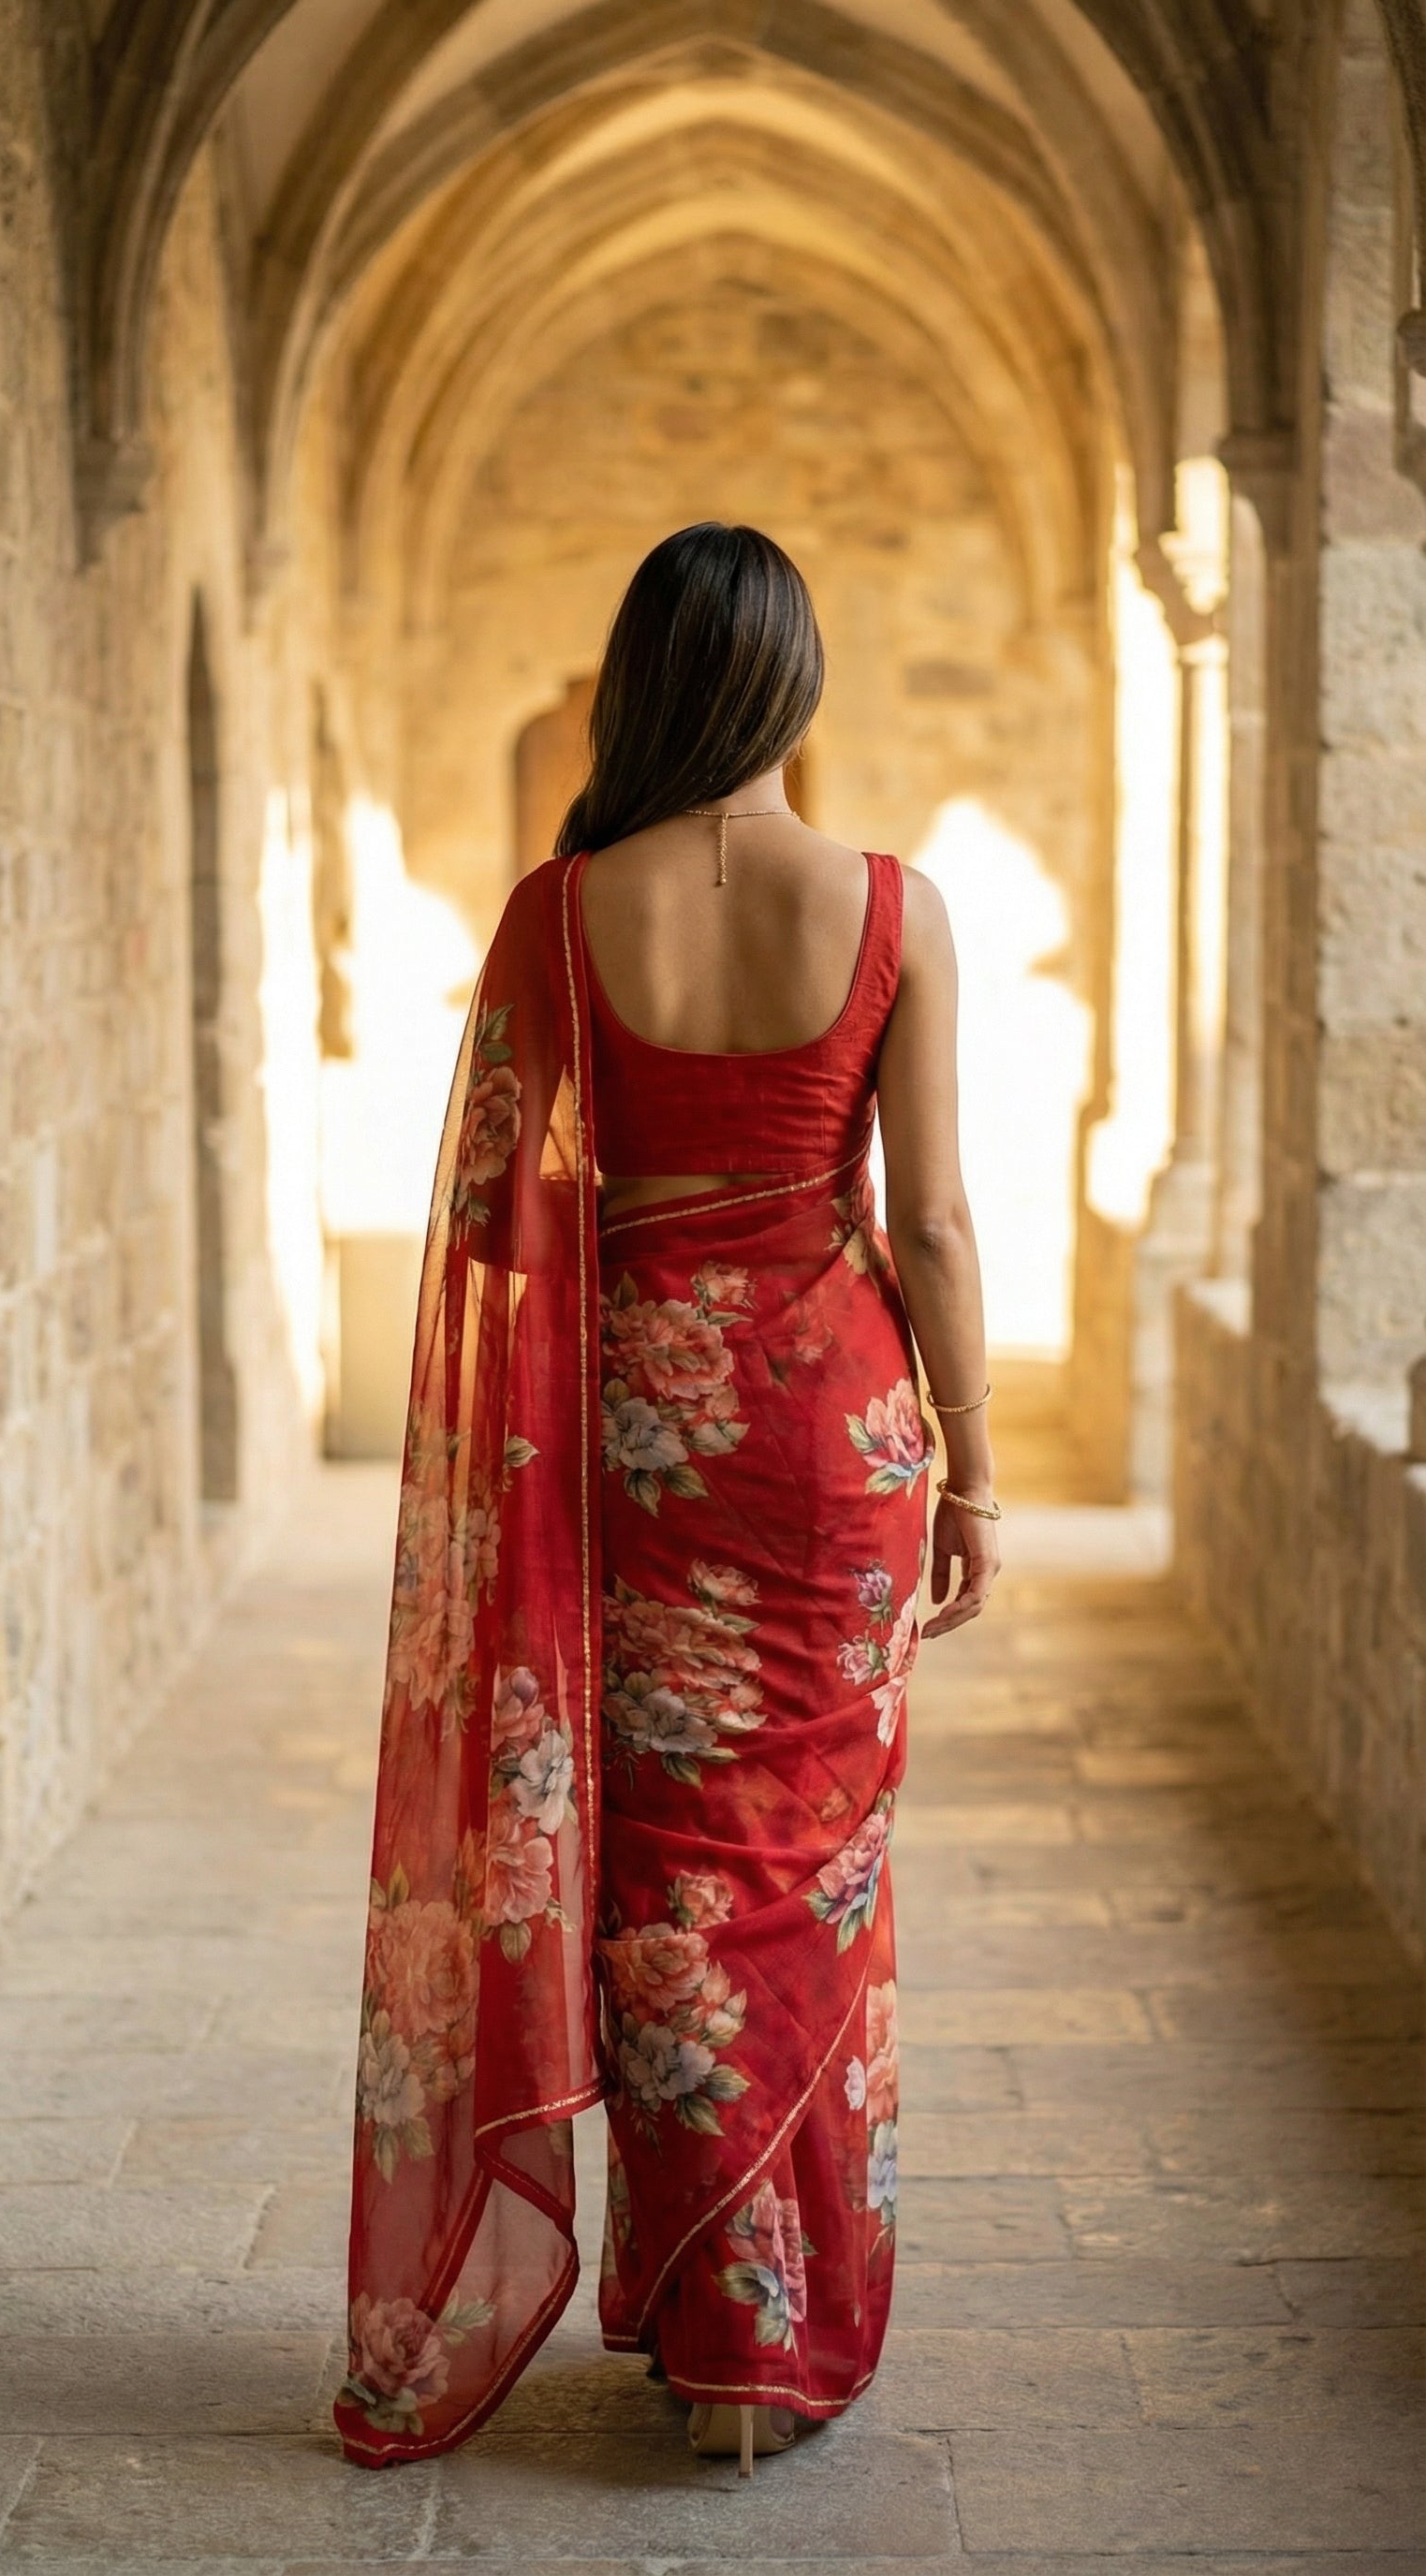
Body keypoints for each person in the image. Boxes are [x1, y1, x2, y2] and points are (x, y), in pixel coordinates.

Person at [333, 522, 1000, 2477]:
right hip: (837, 1432)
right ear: (795, 685)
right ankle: (765, 2346)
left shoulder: (556, 916)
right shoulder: (894, 904)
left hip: (637, 1429)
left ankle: (716, 2326)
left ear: (641, 687)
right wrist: (972, 1455)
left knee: (666, 1875)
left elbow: (506, 1227)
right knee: (814, 1871)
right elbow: (937, 1216)